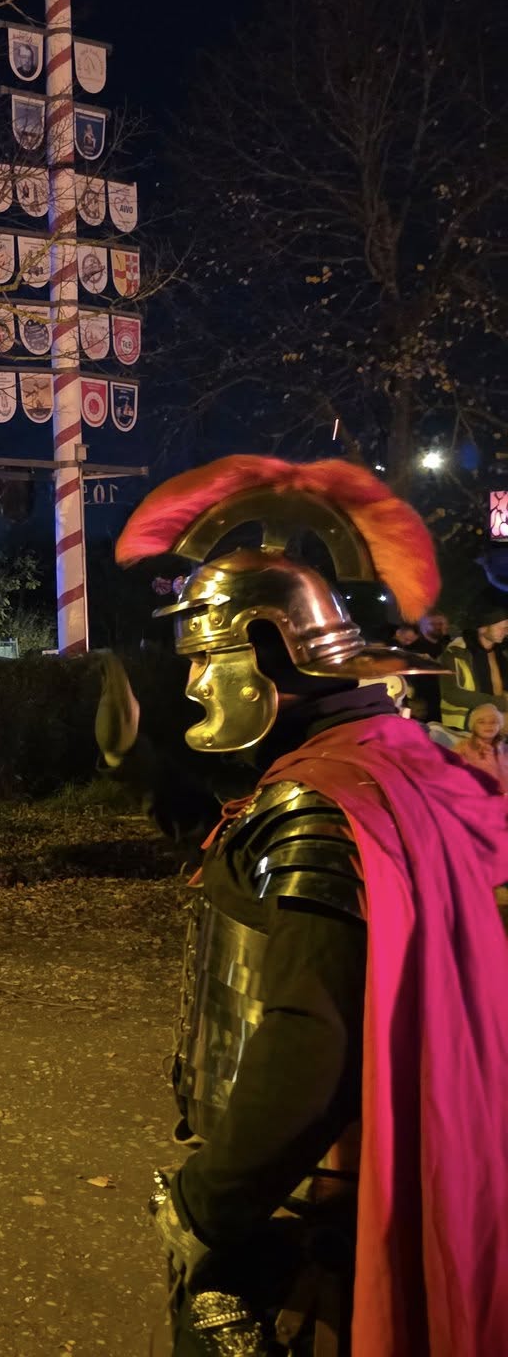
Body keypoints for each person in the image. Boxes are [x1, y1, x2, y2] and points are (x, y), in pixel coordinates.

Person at [112, 454, 508, 1353]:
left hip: (323, 1194)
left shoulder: (317, 808)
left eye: (207, 660)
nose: (193, 687)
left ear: (263, 654)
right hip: (422, 1158)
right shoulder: (407, 762)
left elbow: (308, 1035)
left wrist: (210, 1205)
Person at [441, 607, 508, 733]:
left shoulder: (501, 652)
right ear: (482, 628)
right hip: (467, 717)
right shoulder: (456, 653)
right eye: (502, 627)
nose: (506, 632)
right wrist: (499, 703)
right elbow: (451, 693)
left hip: (497, 712)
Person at [453, 701, 508, 788]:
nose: (488, 725)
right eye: (481, 722)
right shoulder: (462, 748)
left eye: (493, 722)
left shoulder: (504, 749)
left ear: (499, 725)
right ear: (473, 726)